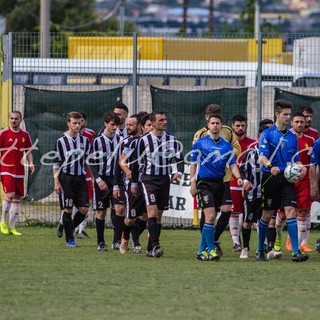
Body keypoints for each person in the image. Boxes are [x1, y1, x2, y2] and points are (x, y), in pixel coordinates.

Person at [256, 99, 308, 262]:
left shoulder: (292, 137)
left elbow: (296, 158)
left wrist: (302, 167)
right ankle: (260, 250)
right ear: (277, 114)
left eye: (289, 114)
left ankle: (295, 251)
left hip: (287, 178)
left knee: (291, 211)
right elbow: (262, 155)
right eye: (285, 114)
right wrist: (270, 166)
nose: (288, 117)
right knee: (267, 215)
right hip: (270, 177)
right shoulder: (267, 133)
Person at [190, 113, 243, 261]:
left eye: (217, 123)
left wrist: (238, 178)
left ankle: (201, 251)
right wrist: (193, 183)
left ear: (221, 125)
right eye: (212, 123)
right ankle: (211, 250)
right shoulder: (200, 143)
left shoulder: (226, 145)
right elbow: (193, 164)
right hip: (204, 183)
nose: (215, 126)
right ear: (208, 125)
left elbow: (232, 164)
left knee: (211, 218)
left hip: (220, 183)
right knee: (211, 216)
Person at [131, 111, 184, 257]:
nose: (165, 122)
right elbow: (136, 164)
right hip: (148, 179)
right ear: (153, 123)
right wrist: (134, 183)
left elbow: (179, 160)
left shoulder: (172, 140)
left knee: (159, 215)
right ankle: (156, 246)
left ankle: (150, 248)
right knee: (152, 212)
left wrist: (179, 173)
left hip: (164, 180)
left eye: (165, 119)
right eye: (161, 120)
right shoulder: (143, 140)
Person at [275, 112, 314, 253]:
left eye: (301, 122)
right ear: (291, 122)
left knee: (303, 211)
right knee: (282, 214)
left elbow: (313, 161)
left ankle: (298, 244)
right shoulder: (285, 138)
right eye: (296, 122)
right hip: (287, 181)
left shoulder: (311, 140)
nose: (299, 124)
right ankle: (278, 237)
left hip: (304, 181)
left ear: (305, 124)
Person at [53, 111, 91, 247]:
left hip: (80, 178)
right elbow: (56, 163)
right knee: (68, 209)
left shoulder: (85, 141)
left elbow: (87, 161)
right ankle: (70, 239)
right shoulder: (61, 141)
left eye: (79, 122)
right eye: (74, 123)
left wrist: (94, 178)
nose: (77, 125)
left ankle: (66, 227)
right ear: (68, 123)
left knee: (84, 209)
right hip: (66, 178)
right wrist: (56, 182)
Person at [89, 112, 124, 251]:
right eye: (112, 125)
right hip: (102, 180)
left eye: (116, 125)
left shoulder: (121, 140)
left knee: (119, 209)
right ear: (105, 124)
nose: (114, 127)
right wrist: (97, 179)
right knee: (101, 212)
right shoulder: (97, 141)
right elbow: (91, 162)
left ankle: (116, 241)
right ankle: (100, 242)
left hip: (117, 180)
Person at [0, 111, 35, 236]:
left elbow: (28, 151)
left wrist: (31, 163)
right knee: (10, 194)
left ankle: (12, 227)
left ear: (21, 120)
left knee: (17, 198)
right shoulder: (3, 133)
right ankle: (3, 222)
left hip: (19, 171)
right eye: (12, 118)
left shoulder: (25, 135)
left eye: (16, 119)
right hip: (6, 169)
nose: (13, 120)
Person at [118, 114, 148, 254]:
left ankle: (135, 240)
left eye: (131, 124)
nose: (127, 127)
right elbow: (121, 161)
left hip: (148, 182)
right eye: (127, 125)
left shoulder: (150, 141)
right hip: (132, 183)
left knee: (146, 215)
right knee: (131, 217)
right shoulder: (130, 142)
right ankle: (125, 239)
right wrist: (129, 172)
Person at [238, 126, 268, 259]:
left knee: (267, 220)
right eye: (262, 139)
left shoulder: (273, 152)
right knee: (247, 222)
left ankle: (266, 248)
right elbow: (242, 170)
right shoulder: (250, 153)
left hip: (267, 193)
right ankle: (245, 248)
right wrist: (245, 182)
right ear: (257, 138)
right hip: (252, 193)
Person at [230, 114, 256, 252]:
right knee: (234, 212)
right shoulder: (227, 143)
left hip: (249, 185)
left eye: (243, 125)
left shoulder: (251, 144)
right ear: (233, 126)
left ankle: (260, 243)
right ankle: (236, 242)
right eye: (237, 125)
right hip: (232, 183)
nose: (240, 128)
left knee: (248, 215)